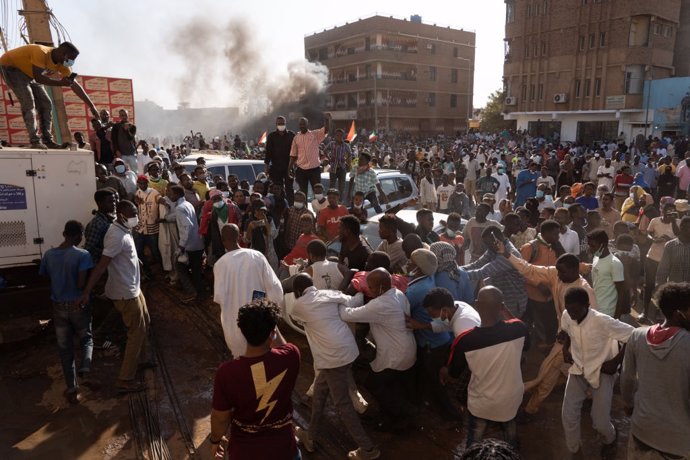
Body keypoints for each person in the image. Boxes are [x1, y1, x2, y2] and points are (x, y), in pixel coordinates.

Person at [291, 274, 380, 460]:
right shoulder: (329, 294)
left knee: (343, 405)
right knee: (320, 394)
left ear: (298, 291)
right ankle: (310, 436)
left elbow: (294, 315)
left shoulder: (298, 305)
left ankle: (368, 449)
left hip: (333, 358)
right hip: (346, 350)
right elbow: (353, 301)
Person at [209, 299, 300, 460]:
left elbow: (220, 418)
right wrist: (271, 324)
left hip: (245, 452)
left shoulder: (227, 372)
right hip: (285, 450)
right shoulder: (291, 356)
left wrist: (215, 440)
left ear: (242, 330)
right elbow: (281, 345)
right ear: (272, 332)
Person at [77, 200, 150, 394]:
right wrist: (86, 292)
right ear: (121, 215)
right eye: (132, 213)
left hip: (133, 287)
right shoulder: (116, 235)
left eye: (136, 212)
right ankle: (125, 379)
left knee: (144, 323)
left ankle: (141, 360)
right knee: (136, 332)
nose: (136, 217)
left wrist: (136, 260)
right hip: (126, 292)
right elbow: (101, 266)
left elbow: (125, 253)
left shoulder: (123, 229)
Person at [442, 286, 529, 448]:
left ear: (476, 305)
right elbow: (521, 334)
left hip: (482, 404)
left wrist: (444, 371)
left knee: (474, 439)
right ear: (502, 307)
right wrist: (504, 309)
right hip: (511, 399)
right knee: (510, 432)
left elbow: (453, 376)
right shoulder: (519, 329)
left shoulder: (464, 340)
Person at [560, 287, 634, 459]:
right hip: (578, 367)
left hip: (601, 370)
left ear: (587, 305)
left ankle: (610, 438)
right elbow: (567, 330)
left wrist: (615, 362)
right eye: (569, 310)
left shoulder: (602, 321)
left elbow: (633, 336)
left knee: (600, 420)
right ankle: (574, 450)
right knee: (568, 414)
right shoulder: (567, 315)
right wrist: (565, 348)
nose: (571, 314)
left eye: (575, 311)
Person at [338, 268, 417, 431]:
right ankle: (390, 414)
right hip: (406, 347)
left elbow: (347, 314)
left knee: (373, 384)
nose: (369, 291)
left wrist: (340, 299)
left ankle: (406, 413)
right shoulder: (397, 294)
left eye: (371, 288)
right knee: (390, 385)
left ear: (382, 287)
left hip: (395, 354)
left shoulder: (381, 304)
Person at [621, 282, 690, 460]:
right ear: (678, 313)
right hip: (677, 443)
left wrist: (629, 404)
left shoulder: (637, 336)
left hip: (641, 432)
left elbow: (627, 379)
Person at [0, 42, 98, 149]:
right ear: (62, 52)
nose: (70, 62)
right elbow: (39, 78)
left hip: (30, 74)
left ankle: (47, 140)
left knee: (46, 104)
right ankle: (35, 141)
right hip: (10, 67)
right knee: (28, 102)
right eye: (70, 59)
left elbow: (75, 85)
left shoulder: (62, 64)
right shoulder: (41, 52)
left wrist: (91, 106)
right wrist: (60, 83)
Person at [39, 220, 94, 404]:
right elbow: (80, 284)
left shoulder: (48, 255)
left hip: (59, 306)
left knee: (65, 348)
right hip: (78, 304)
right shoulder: (83, 255)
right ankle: (85, 366)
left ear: (64, 233)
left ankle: (71, 387)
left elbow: (44, 274)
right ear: (79, 236)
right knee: (86, 338)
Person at [213, 224, 283, 357]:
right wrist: (273, 316)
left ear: (222, 240)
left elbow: (219, 298)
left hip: (235, 330)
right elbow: (275, 290)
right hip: (261, 327)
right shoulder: (257, 256)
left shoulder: (220, 265)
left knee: (243, 367)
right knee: (264, 363)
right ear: (240, 237)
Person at [462, 227, 528, 318]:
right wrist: (458, 269)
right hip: (502, 297)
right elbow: (477, 264)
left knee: (509, 328)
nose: (487, 247)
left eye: (489, 244)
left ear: (496, 240)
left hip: (513, 300)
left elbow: (483, 272)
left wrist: (460, 274)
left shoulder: (509, 254)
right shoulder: (493, 249)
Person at [520, 220, 565, 346]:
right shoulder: (530, 248)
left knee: (550, 325)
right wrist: (538, 284)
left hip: (551, 296)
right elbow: (521, 272)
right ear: (546, 233)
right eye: (556, 234)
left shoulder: (556, 247)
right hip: (533, 296)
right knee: (538, 327)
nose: (558, 237)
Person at [168, 185, 205, 301]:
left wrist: (181, 246)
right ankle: (200, 292)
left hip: (189, 246)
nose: (169, 195)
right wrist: (166, 218)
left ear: (177, 194)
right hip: (197, 243)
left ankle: (191, 292)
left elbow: (186, 226)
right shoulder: (187, 204)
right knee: (196, 270)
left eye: (170, 193)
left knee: (180, 267)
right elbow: (179, 218)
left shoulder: (180, 208)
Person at [586, 230, 626, 319]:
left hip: (608, 313)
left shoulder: (614, 263)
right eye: (589, 245)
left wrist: (617, 316)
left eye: (593, 246)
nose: (590, 248)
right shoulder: (596, 258)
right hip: (594, 308)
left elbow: (621, 292)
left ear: (603, 245)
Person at [289, 114, 330, 194]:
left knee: (318, 193)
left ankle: (318, 206)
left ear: (308, 124)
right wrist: (289, 168)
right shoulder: (296, 138)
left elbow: (326, 130)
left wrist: (327, 120)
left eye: (304, 124)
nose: (302, 125)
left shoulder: (315, 134)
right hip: (301, 170)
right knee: (302, 193)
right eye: (301, 124)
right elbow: (293, 155)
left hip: (314, 169)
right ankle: (304, 206)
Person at [133, 175, 161, 279]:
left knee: (155, 251)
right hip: (141, 227)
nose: (142, 185)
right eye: (140, 183)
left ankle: (161, 271)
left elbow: (160, 200)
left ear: (147, 183)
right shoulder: (138, 193)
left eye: (144, 183)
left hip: (152, 227)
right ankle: (147, 271)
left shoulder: (153, 192)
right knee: (139, 250)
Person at [265, 116, 296, 205]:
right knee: (277, 189)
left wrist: (293, 166)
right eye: (279, 124)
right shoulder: (271, 136)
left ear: (285, 124)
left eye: (282, 123)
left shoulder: (291, 135)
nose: (281, 125)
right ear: (276, 124)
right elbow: (268, 153)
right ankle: (278, 206)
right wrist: (266, 167)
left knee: (289, 189)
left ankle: (290, 208)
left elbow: (295, 152)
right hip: (276, 167)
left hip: (288, 167)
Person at [84, 188, 117, 264]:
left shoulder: (109, 219)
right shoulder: (97, 223)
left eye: (114, 201)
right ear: (100, 203)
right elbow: (89, 248)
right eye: (110, 201)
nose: (114, 204)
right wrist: (109, 253)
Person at [656, 215, 690, 284]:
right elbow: (663, 270)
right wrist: (660, 287)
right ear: (682, 228)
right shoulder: (670, 246)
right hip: (674, 289)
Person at [325, 128, 352, 198]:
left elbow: (350, 154)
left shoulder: (346, 145)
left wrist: (345, 159)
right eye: (337, 135)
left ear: (343, 136)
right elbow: (325, 150)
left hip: (342, 167)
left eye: (340, 135)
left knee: (341, 186)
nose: (339, 137)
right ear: (335, 136)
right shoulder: (331, 144)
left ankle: (340, 199)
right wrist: (329, 158)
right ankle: (331, 198)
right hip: (333, 167)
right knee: (332, 185)